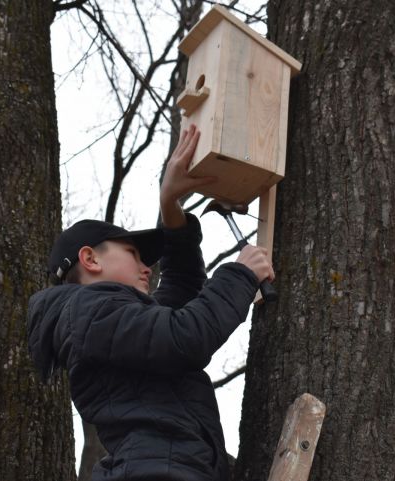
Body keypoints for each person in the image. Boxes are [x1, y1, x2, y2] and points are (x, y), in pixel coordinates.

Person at [27, 124, 275, 481]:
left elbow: (182, 284)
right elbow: (183, 337)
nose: (147, 267)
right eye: (133, 253)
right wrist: (240, 275)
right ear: (91, 260)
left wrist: (170, 205)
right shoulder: (87, 314)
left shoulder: (109, 321)